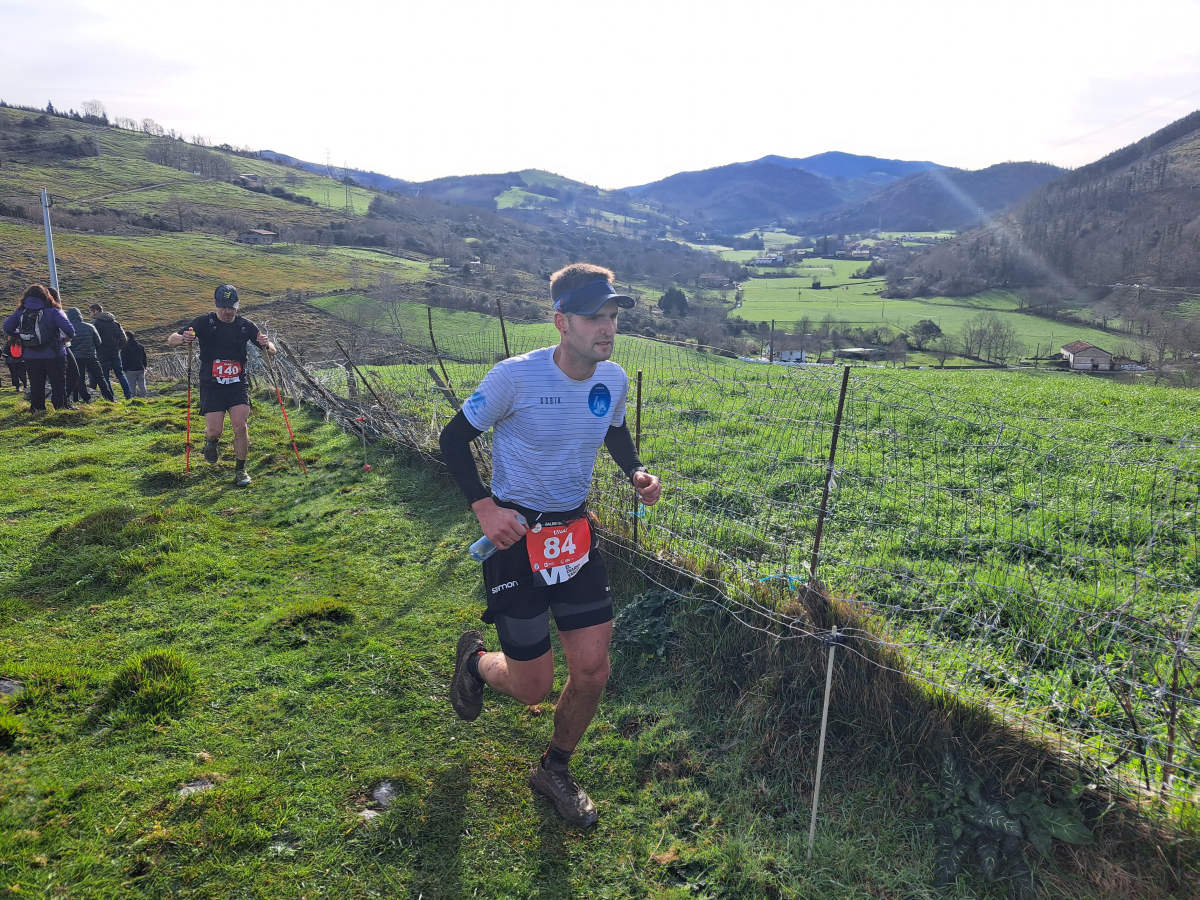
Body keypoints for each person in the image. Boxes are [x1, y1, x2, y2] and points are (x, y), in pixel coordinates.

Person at [439, 262, 662, 827]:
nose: (607, 328)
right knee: (533, 687)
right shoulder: (515, 377)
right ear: (561, 321)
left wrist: (634, 470)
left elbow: (610, 426)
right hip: (516, 537)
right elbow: (453, 437)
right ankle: (476, 662)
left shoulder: (613, 379)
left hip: (575, 534)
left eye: (612, 316)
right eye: (594, 317)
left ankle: (555, 769)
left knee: (592, 670)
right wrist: (486, 508)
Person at [167, 283, 275, 487]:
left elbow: (271, 350)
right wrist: (183, 338)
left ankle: (240, 470)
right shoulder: (204, 322)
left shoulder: (245, 325)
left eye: (231, 307)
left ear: (237, 306)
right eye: (223, 307)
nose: (227, 311)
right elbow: (171, 339)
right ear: (217, 305)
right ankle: (211, 441)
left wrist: (266, 344)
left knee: (240, 426)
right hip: (212, 384)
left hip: (237, 384)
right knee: (215, 430)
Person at [2, 285, 75, 412]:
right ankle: (61, 407)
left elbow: (7, 327)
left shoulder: (21, 311)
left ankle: (37, 409)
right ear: (46, 296)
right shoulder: (53, 311)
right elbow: (70, 330)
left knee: (36, 384)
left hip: (31, 356)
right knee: (58, 382)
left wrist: (20, 336)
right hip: (54, 354)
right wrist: (64, 340)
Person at [65, 307, 114, 402]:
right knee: (100, 378)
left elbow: (66, 344)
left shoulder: (68, 328)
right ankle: (109, 398)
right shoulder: (90, 326)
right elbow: (98, 342)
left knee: (79, 379)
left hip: (76, 358)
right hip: (91, 356)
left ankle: (85, 398)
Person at [89, 302, 132, 400]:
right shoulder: (115, 323)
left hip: (102, 354)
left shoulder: (96, 324)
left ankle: (111, 397)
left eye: (90, 312)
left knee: (105, 376)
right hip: (115, 352)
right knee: (120, 374)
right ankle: (128, 396)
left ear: (96, 311)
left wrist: (97, 349)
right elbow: (124, 339)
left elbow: (94, 340)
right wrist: (117, 348)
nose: (90, 314)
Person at [121, 330, 149, 397]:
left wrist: (124, 369)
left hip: (130, 370)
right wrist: (144, 366)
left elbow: (123, 359)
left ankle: (132, 399)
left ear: (126, 337)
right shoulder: (140, 346)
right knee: (142, 385)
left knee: (131, 385)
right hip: (140, 368)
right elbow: (144, 358)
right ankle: (144, 397)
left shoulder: (124, 348)